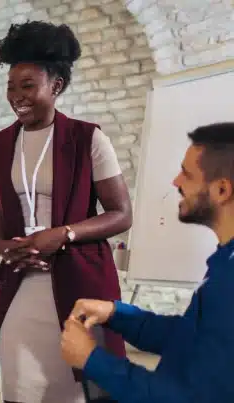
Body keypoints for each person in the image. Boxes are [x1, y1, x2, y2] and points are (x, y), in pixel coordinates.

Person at [0, 21, 133, 403]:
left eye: (28, 85)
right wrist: (5, 246)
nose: (17, 96)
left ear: (57, 86)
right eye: (11, 87)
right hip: (23, 284)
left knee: (87, 390)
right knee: (20, 388)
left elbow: (120, 213)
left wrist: (63, 234)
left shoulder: (88, 138)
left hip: (81, 282)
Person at [61, 122, 234, 402]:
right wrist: (116, 313)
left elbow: (189, 398)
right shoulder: (224, 259)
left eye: (187, 175)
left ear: (222, 191)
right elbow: (191, 338)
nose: (176, 182)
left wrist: (93, 360)